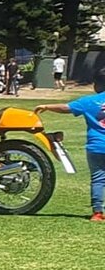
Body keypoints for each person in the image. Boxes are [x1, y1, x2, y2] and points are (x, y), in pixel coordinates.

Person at [36, 66, 105, 222]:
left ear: (97, 84)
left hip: (96, 147)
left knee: (98, 179)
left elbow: (66, 108)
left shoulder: (89, 101)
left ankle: (97, 212)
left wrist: (46, 106)